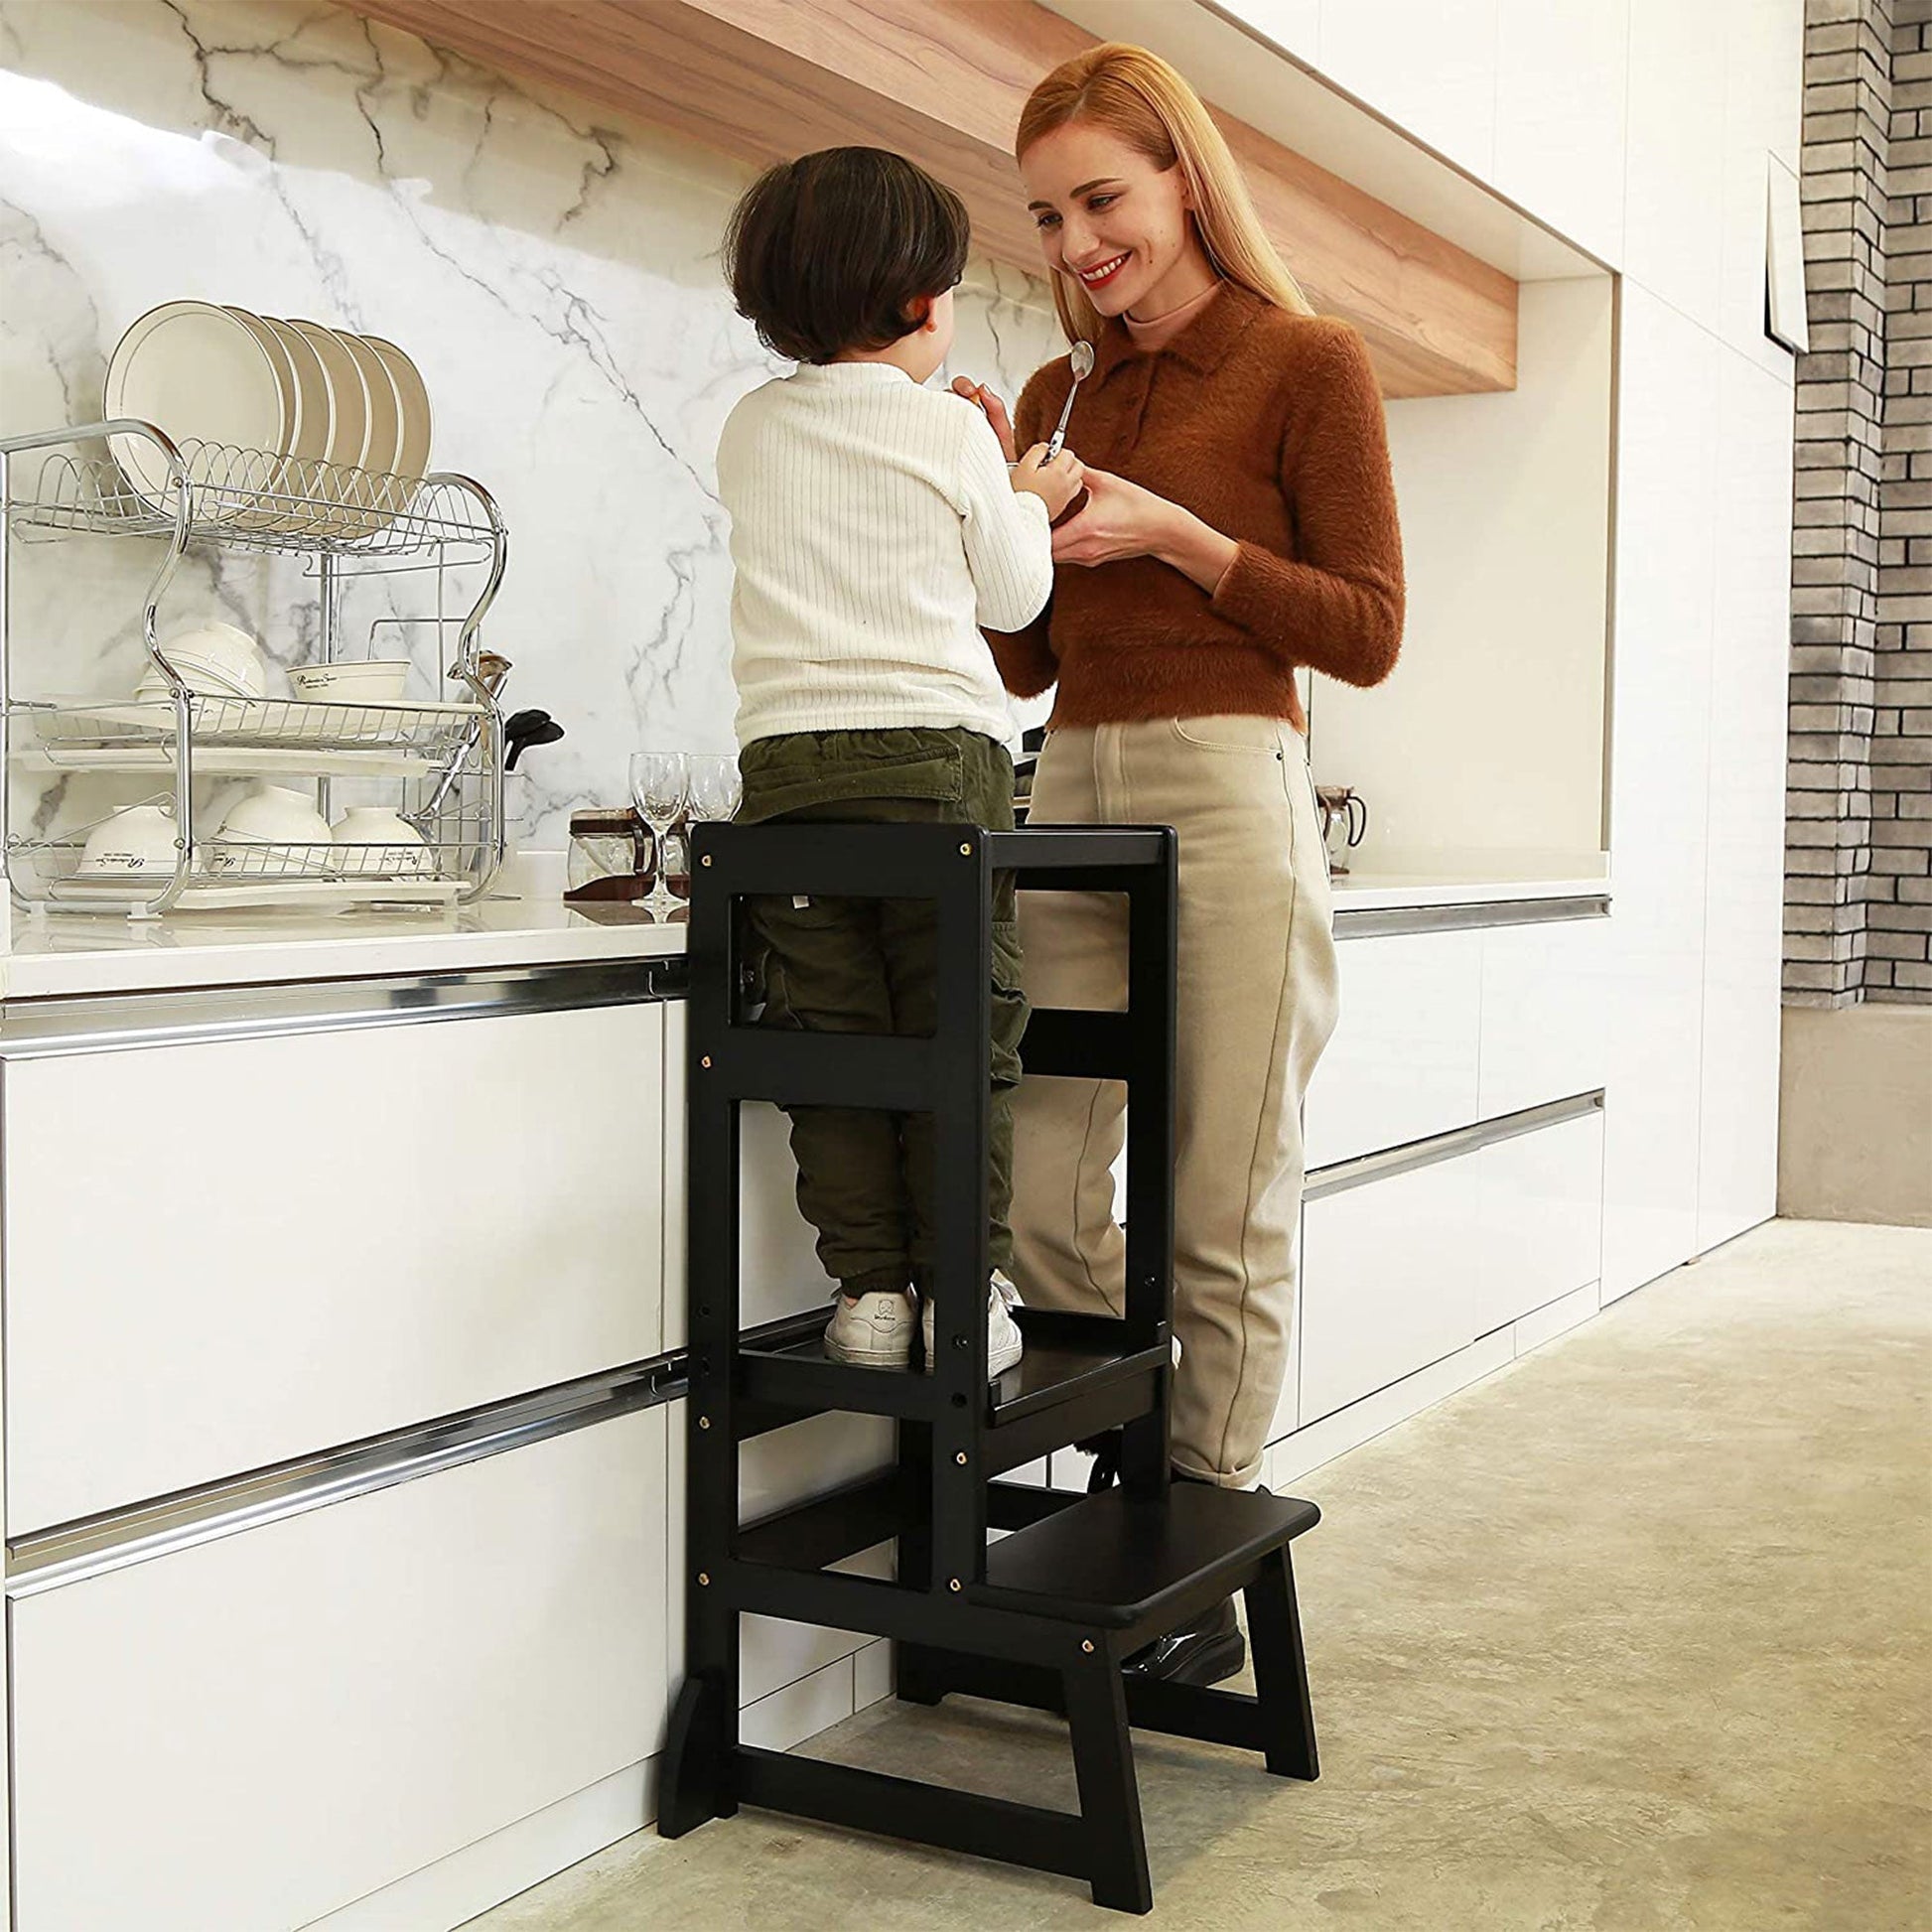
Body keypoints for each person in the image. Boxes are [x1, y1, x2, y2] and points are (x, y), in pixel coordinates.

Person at [958, 45, 1405, 1683]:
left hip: (1228, 783)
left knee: (1219, 1191)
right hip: (1069, 783)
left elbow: (1366, 628)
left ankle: (1197, 1536)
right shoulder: (1054, 396)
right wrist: (985, 515)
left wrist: (1178, 536)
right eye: (1046, 215)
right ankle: (1141, 1455)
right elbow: (1025, 660)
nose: (1075, 243)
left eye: (1102, 200)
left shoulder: (1306, 361)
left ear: (1183, 182)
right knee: (1032, 1171)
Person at [716, 146, 1087, 1376]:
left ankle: (868, 1295)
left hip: (786, 775)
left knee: (834, 1045)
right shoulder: (949, 429)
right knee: (960, 1040)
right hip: (936, 766)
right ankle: (960, 1292)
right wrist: (1022, 489)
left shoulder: (749, 427)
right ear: (924, 300)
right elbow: (1012, 593)